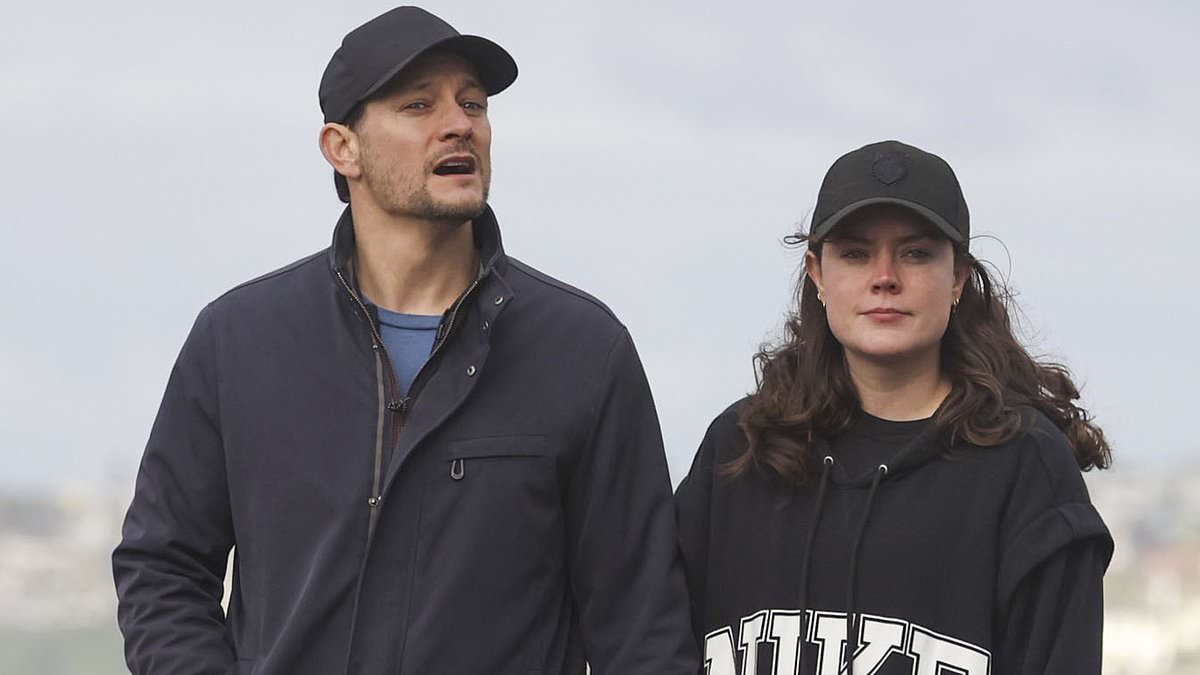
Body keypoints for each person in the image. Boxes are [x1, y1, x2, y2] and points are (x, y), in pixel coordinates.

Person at [112, 7, 697, 674]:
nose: (459, 124)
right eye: (418, 105)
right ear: (342, 147)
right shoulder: (238, 342)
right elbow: (162, 568)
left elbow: (642, 627)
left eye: (472, 103)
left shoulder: (584, 351)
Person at [676, 140, 1113, 675]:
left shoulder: (1026, 470)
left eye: (916, 252)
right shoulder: (743, 449)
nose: (885, 276)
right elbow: (648, 641)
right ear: (817, 274)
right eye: (855, 253)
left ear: (957, 278)